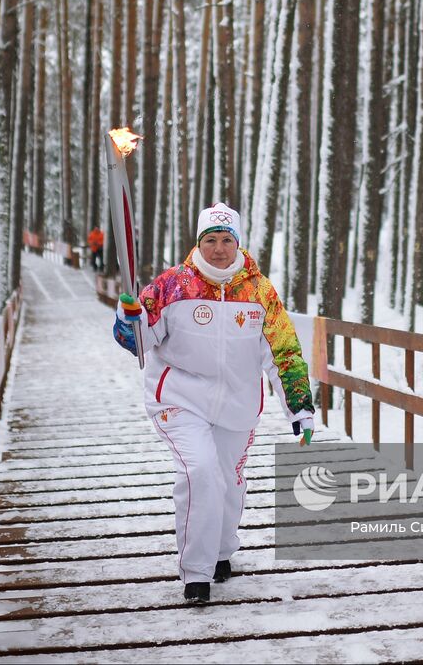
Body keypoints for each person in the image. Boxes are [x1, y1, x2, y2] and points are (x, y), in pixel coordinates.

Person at [112, 202, 315, 605]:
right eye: (210, 240)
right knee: (200, 471)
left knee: (227, 481)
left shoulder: (259, 292)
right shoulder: (171, 286)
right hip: (179, 399)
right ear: (198, 242)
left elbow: (284, 352)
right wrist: (128, 318)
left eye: (226, 240)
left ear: (237, 242)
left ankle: (222, 551)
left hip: (238, 404)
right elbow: (136, 343)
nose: (218, 249)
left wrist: (299, 407)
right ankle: (196, 575)